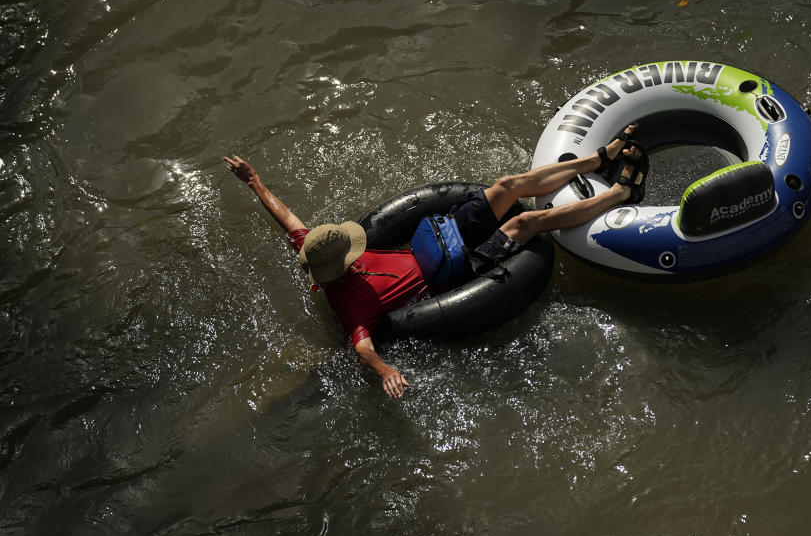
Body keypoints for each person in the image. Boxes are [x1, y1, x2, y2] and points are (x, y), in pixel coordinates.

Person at [224, 127, 646, 399]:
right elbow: (361, 345)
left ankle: (597, 160)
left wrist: (255, 181)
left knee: (505, 186)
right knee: (525, 222)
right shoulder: (349, 304)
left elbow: (288, 220)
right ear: (340, 265)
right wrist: (385, 370)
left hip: (441, 239)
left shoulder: (317, 249)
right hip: (457, 272)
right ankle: (619, 196)